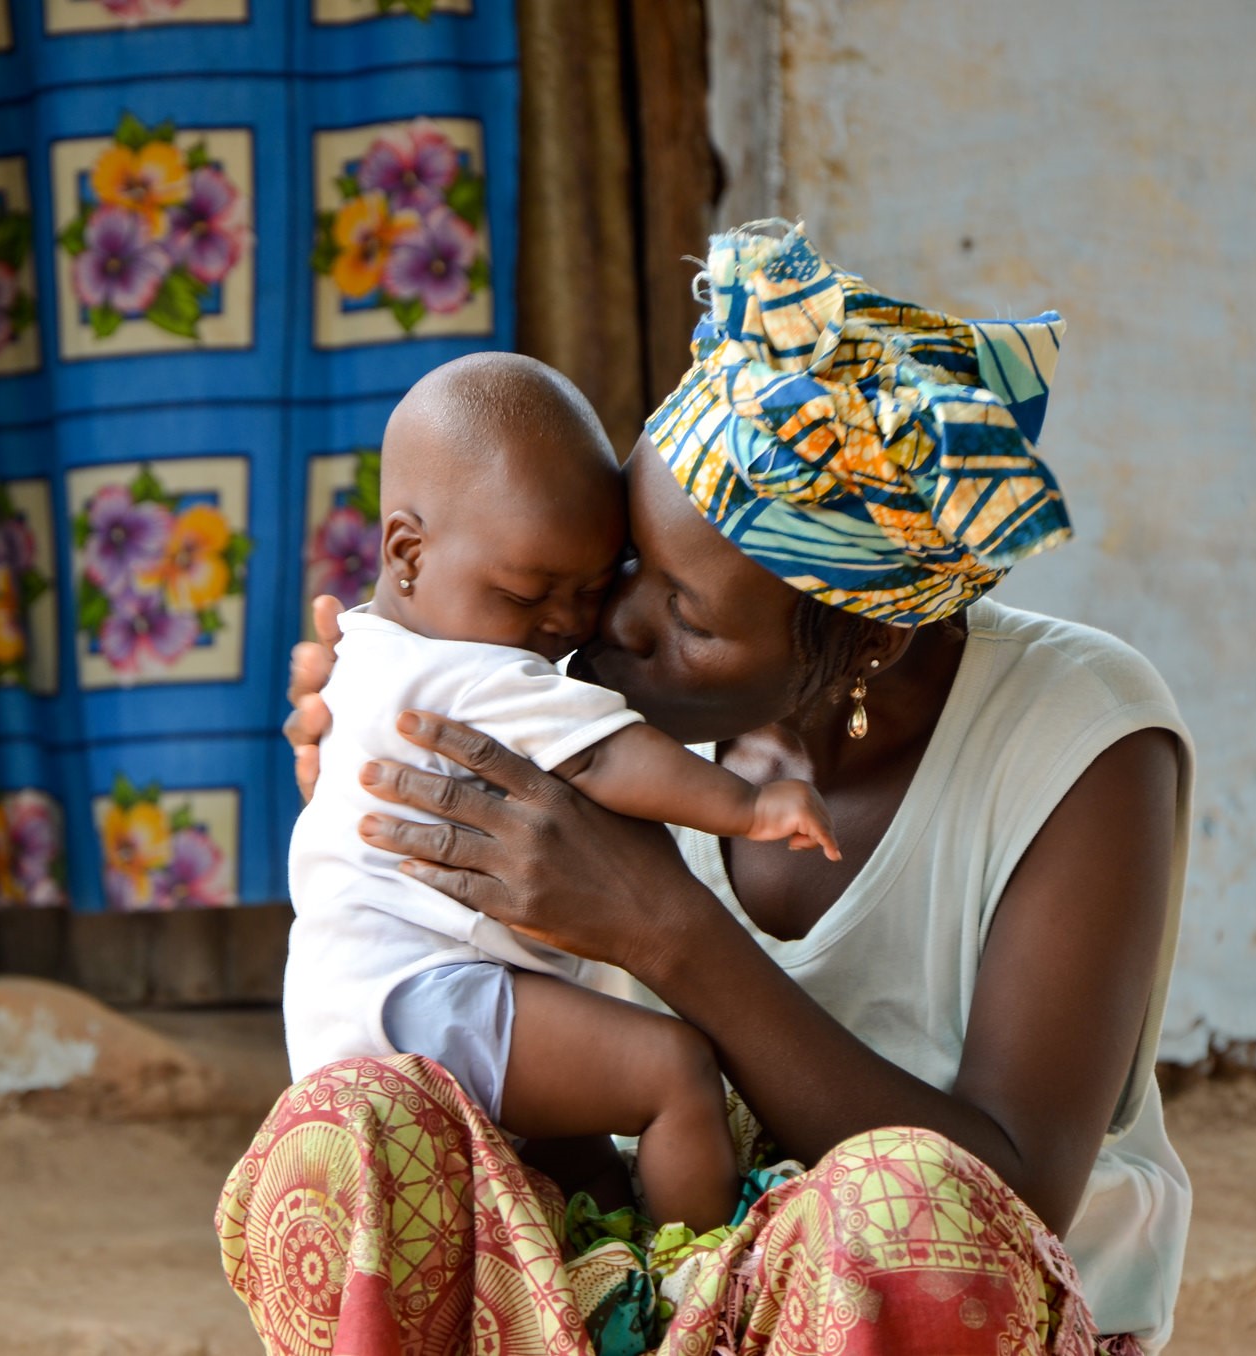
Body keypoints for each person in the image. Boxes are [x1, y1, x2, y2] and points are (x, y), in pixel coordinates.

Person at [220, 224, 1192, 1355]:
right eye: (626, 559)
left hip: (926, 1313)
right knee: (355, 1134)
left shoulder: (1080, 741)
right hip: (643, 1298)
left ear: (864, 645)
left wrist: (667, 930)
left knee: (912, 1212)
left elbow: (1013, 1201)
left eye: (684, 615)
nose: (607, 622)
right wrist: (362, 703)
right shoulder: (577, 681)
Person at [288, 351, 843, 1233]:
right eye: (525, 592)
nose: (563, 624)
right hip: (433, 995)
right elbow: (607, 760)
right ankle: (695, 1293)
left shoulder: (364, 649)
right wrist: (746, 805)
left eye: (592, 587)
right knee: (674, 1074)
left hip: (350, 1008)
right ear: (405, 552)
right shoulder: (480, 671)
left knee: (578, 1175)